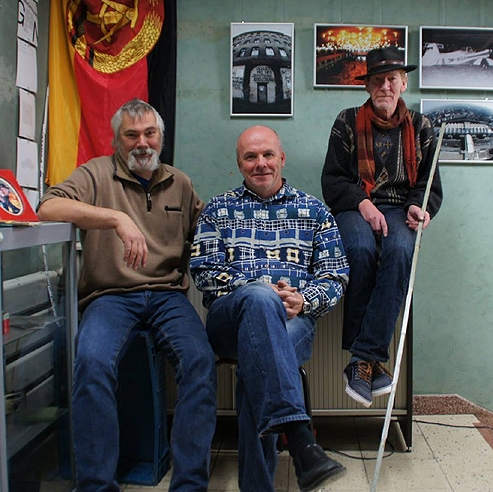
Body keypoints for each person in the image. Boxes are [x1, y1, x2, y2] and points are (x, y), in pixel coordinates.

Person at [37, 99, 217, 491]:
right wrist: (117, 218)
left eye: (150, 133)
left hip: (168, 296)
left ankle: (189, 485)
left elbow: (210, 231)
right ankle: (96, 486)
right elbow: (47, 207)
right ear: (116, 140)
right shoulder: (96, 173)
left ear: (161, 137)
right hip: (109, 295)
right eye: (131, 135)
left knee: (200, 363)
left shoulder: (180, 182)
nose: (142, 143)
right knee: (91, 364)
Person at [190, 125, 349, 492]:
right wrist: (258, 291)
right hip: (228, 320)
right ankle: (300, 438)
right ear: (239, 164)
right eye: (250, 157)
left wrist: (304, 299)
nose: (260, 163)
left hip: (294, 320)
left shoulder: (314, 211)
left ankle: (268, 478)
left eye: (267, 155)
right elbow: (204, 271)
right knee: (260, 301)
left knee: (258, 364)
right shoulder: (217, 209)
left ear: (282, 159)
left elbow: (335, 275)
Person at [321, 46, 443, 408]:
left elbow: (429, 183)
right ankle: (371, 360)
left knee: (401, 249)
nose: (385, 86)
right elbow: (333, 180)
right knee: (360, 248)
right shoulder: (346, 121)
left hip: (400, 207)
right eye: (377, 80)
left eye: (392, 79)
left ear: (403, 83)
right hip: (355, 205)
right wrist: (363, 203)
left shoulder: (422, 127)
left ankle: (362, 360)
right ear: (367, 85)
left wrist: (420, 207)